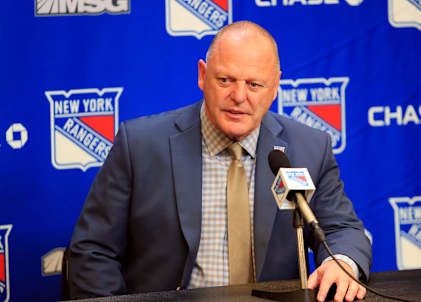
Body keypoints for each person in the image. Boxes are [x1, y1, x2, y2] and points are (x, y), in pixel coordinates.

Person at [66, 21, 372, 302]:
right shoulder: (141, 145)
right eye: (225, 79)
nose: (239, 96)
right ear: (202, 75)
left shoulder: (309, 147)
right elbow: (92, 252)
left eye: (254, 84)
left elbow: (341, 229)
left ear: (276, 85)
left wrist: (341, 261)